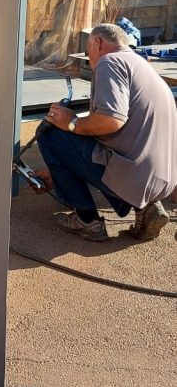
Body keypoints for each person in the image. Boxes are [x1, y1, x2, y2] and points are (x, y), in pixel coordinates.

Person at [34, 23, 177, 242]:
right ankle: (147, 208)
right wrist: (58, 173)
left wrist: (71, 123)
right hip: (162, 180)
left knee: (51, 133)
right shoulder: (141, 64)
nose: (89, 60)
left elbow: (111, 121)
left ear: (97, 43)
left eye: (88, 52)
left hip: (137, 179)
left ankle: (86, 220)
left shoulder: (109, 62)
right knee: (82, 136)